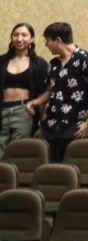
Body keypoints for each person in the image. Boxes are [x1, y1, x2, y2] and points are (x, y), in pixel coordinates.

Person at [37, 22, 88, 162]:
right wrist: (35, 103)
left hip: (75, 127)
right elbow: (50, 90)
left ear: (58, 40)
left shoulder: (87, 60)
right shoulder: (54, 64)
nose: (46, 45)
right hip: (52, 127)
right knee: (51, 167)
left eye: (47, 41)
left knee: (71, 168)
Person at [4, 24, 49, 156]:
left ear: (32, 38)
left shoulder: (39, 64)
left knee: (18, 150)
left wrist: (40, 117)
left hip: (24, 111)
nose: (19, 39)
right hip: (2, 110)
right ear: (11, 37)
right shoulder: (2, 61)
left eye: (24, 35)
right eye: (16, 35)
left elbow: (47, 91)